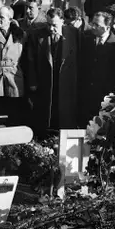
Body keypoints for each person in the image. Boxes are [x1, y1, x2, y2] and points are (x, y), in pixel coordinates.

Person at [26, 8, 80, 136]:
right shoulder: (37, 35)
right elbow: (30, 60)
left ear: (62, 21)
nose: (50, 29)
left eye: (54, 25)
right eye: (48, 24)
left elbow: (81, 59)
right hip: (45, 81)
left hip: (67, 82)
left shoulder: (75, 34)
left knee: (64, 114)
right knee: (46, 114)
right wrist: (33, 81)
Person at [78, 11, 115, 126]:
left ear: (107, 27)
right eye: (93, 24)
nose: (93, 27)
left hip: (105, 95)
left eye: (97, 25)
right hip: (86, 94)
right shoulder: (86, 40)